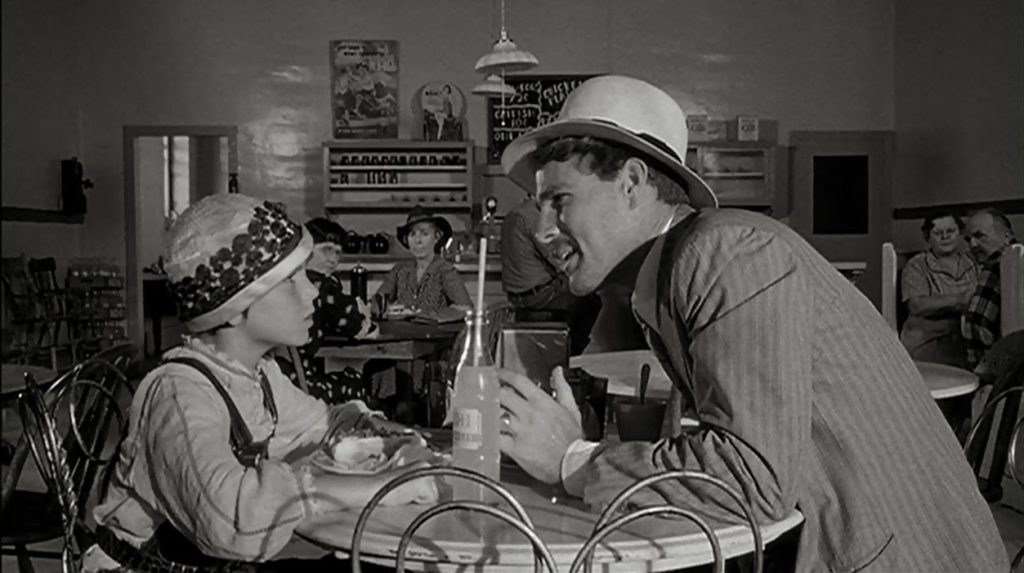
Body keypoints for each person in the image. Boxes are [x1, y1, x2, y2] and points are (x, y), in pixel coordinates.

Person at [495, 76, 1007, 571]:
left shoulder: (725, 252)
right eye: (539, 206)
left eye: (559, 200)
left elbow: (753, 479)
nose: (541, 230)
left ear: (631, 183)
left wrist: (573, 460)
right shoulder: (675, 272)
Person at [89, 195, 438, 572]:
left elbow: (323, 425)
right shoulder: (179, 393)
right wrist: (371, 488)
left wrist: (397, 440)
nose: (312, 291)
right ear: (233, 307)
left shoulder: (258, 374)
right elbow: (234, 521)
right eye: (290, 281)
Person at [276, 217, 375, 404]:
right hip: (301, 387)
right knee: (354, 381)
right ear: (306, 249)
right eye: (326, 250)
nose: (333, 258)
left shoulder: (286, 280)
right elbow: (354, 323)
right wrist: (367, 319)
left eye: (337, 252)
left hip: (276, 379)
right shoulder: (321, 286)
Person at [500, 193, 602, 354]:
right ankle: (571, 356)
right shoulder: (534, 216)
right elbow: (560, 259)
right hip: (539, 296)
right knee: (592, 301)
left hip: (517, 297)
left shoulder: (513, 214)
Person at [898, 211, 978, 367]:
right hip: (927, 339)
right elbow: (917, 305)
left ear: (960, 233)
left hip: (965, 339)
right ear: (928, 237)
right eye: (938, 233)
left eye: (950, 231)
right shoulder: (917, 265)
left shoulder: (972, 262)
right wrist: (959, 299)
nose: (945, 237)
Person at [374, 204, 472, 314]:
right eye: (412, 234)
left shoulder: (445, 270)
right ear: (407, 240)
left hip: (434, 325)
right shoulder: (400, 270)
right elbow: (376, 303)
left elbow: (466, 307)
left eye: (424, 234)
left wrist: (428, 314)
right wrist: (390, 310)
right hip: (401, 325)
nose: (418, 240)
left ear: (436, 237)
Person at [963, 207, 1018, 367]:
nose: (973, 244)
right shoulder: (1017, 262)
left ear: (1007, 236)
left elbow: (976, 322)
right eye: (968, 239)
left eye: (979, 236)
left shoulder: (996, 265)